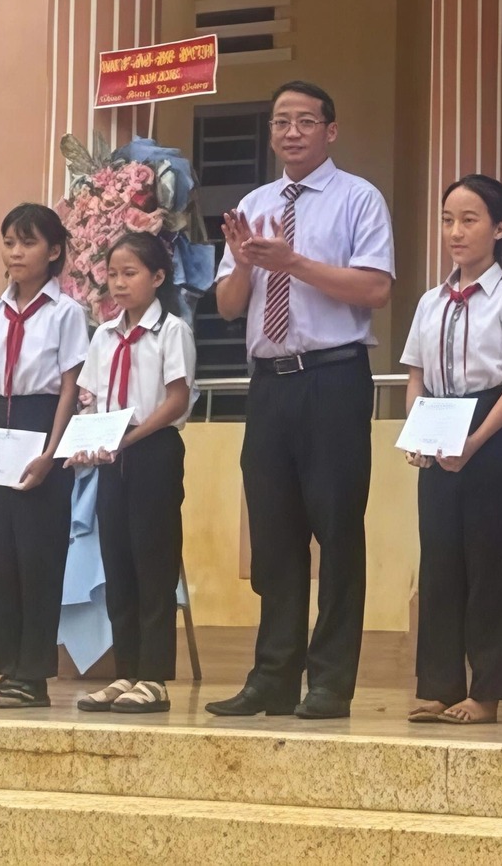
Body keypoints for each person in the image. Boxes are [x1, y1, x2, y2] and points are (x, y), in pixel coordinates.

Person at [206, 81, 394, 721]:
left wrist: (293, 262)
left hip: (333, 377)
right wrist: (243, 264)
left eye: (305, 121)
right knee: (273, 534)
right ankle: (273, 677)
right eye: (281, 121)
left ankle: (330, 681)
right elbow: (228, 307)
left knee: (337, 530)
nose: (291, 132)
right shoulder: (253, 205)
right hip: (269, 384)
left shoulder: (359, 198)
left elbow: (375, 290)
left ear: (330, 131)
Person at [401, 175, 502, 725]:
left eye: (469, 220)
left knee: (490, 564)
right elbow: (415, 375)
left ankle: (487, 692)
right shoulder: (429, 302)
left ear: (499, 229)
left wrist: (476, 441)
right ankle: (439, 685)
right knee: (439, 562)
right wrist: (418, 432)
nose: (455, 232)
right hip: (438, 421)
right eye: (447, 220)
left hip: (490, 427)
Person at [0, 203, 89, 710]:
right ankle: (5, 667)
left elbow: (69, 387)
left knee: (38, 557)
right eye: (9, 242)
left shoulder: (65, 313)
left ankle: (33, 676)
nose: (15, 252)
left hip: (41, 424)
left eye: (28, 242)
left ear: (53, 251)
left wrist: (51, 453)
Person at [70, 232, 196, 715]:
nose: (119, 284)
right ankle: (125, 672)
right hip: (112, 455)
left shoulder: (171, 331)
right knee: (117, 562)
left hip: (153, 449)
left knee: (153, 563)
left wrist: (132, 436)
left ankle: (155, 677)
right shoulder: (104, 336)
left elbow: (177, 400)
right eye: (112, 274)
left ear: (158, 277)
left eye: (130, 273)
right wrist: (85, 441)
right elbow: (91, 400)